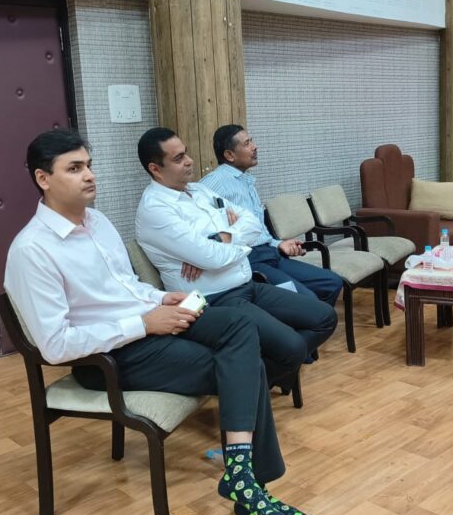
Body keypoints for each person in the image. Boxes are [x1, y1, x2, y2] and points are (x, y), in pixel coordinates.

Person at [4, 129, 310, 515]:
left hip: (148, 326)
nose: (89, 175)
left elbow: (125, 285)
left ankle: (240, 475)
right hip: (109, 358)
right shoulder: (32, 250)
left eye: (89, 165)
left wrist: (161, 298)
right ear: (43, 179)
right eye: (74, 168)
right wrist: (142, 323)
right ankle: (247, 482)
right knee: (242, 365)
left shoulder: (97, 222)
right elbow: (55, 345)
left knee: (239, 325)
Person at [135, 127, 337, 372]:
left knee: (325, 317)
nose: (189, 161)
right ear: (155, 169)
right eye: (178, 158)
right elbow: (211, 257)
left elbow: (251, 221)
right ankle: (251, 372)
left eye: (186, 153)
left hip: (246, 283)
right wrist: (233, 243)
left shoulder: (198, 190)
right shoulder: (156, 209)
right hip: (214, 298)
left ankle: (255, 368)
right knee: (292, 346)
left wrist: (220, 239)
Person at [200, 125, 343, 307]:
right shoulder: (214, 182)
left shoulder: (245, 180)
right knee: (308, 301)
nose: (255, 147)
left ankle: (309, 320)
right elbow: (194, 222)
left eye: (252, 141)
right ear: (229, 155)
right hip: (249, 260)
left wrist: (279, 244)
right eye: (247, 144)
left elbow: (259, 231)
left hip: (270, 253)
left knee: (332, 283)